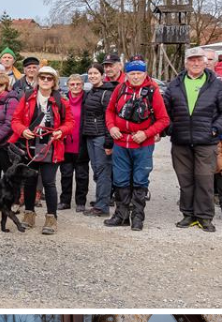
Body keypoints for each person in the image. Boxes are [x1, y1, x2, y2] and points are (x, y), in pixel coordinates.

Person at [163, 47, 222, 233]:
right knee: (185, 179)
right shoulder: (175, 84)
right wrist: (171, 128)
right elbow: (164, 110)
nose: (195, 63)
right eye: (191, 60)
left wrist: (215, 129)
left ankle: (204, 217)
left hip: (206, 141)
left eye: (198, 60)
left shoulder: (215, 84)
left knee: (204, 179)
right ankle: (188, 214)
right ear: (186, 63)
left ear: (205, 62)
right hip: (181, 141)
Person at [104, 58, 170, 231]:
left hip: (142, 144)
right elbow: (110, 111)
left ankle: (138, 217)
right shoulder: (120, 88)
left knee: (140, 180)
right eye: (132, 73)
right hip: (120, 143)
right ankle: (121, 215)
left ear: (145, 73)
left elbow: (164, 119)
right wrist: (111, 127)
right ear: (126, 74)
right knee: (120, 179)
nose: (135, 77)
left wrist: (146, 133)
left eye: (139, 73)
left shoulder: (152, 91)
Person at [9, 67, 75, 234]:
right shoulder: (26, 97)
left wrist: (62, 131)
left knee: (49, 182)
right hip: (29, 145)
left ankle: (51, 219)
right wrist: (22, 130)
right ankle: (29, 215)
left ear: (54, 82)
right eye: (43, 77)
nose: (45, 81)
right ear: (38, 79)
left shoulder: (61, 100)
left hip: (51, 146)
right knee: (30, 181)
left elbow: (70, 122)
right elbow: (15, 119)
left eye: (49, 78)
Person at [80, 64, 115, 216]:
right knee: (97, 170)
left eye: (95, 73)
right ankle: (102, 199)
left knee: (103, 171)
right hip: (90, 136)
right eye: (90, 73)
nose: (92, 76)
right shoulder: (90, 93)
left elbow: (110, 118)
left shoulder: (106, 94)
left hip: (101, 136)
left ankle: (102, 206)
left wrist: (108, 142)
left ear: (102, 75)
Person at [59, 73, 90, 211]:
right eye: (72, 84)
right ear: (68, 86)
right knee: (65, 174)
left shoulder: (88, 99)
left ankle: (80, 202)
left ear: (83, 85)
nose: (75, 86)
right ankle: (65, 201)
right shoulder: (63, 100)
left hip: (82, 143)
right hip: (66, 144)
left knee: (82, 175)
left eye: (78, 84)